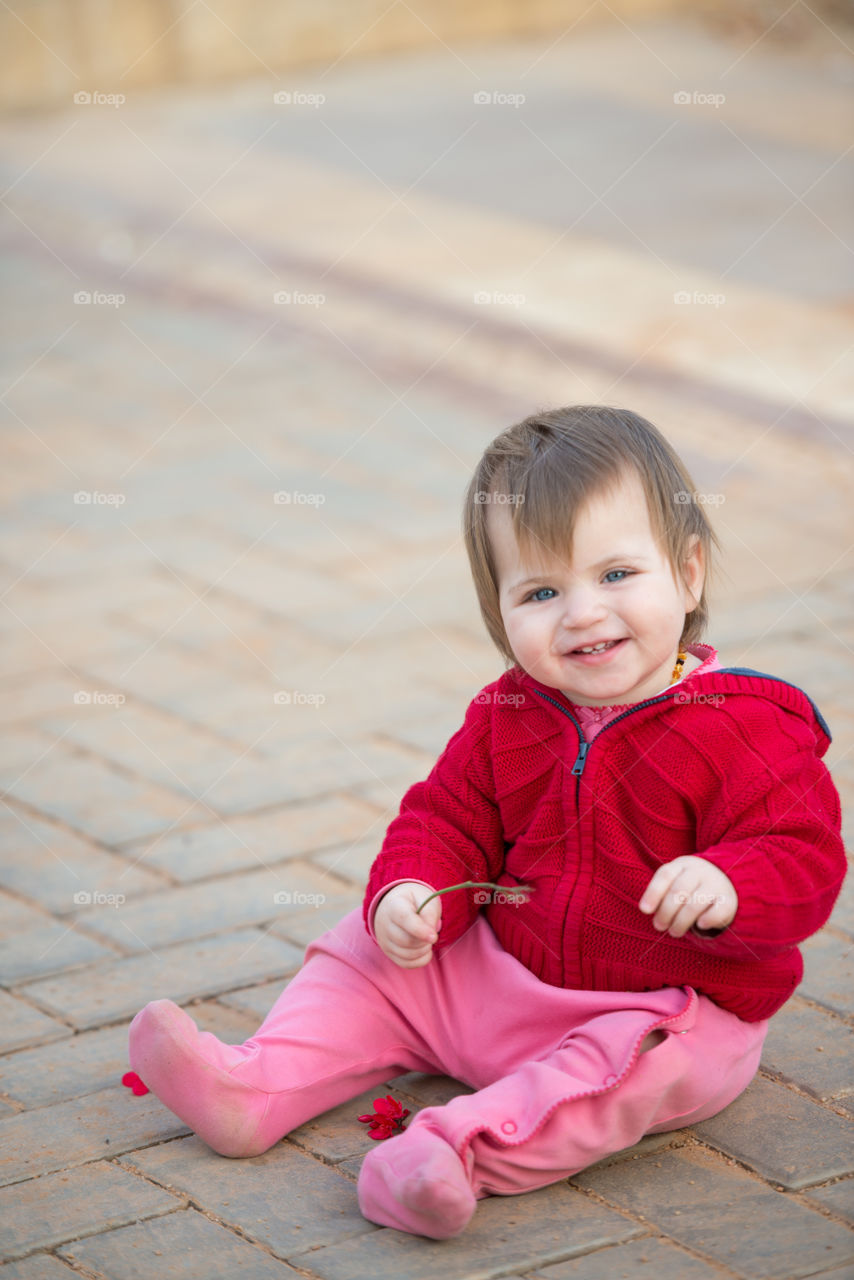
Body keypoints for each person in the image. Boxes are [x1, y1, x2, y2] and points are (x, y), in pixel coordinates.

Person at [128, 405, 846, 1240]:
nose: (582, 613)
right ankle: (256, 1087)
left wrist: (731, 882)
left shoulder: (746, 726)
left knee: (650, 1062)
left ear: (688, 576)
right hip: (498, 981)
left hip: (653, 1006)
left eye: (616, 575)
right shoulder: (507, 710)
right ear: (498, 613)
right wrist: (415, 889)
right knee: (366, 948)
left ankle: (451, 1154)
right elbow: (447, 816)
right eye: (542, 591)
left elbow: (802, 856)